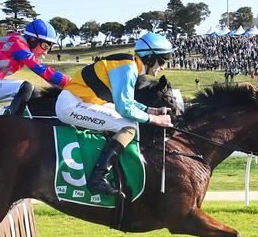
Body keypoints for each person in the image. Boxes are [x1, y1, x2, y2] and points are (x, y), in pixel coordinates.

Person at [55, 32, 174, 196]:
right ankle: (97, 178)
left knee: (129, 122)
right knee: (129, 125)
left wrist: (149, 110)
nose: (162, 67)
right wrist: (154, 119)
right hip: (72, 105)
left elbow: (126, 101)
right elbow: (124, 107)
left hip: (82, 101)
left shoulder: (129, 64)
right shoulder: (128, 67)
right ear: (149, 57)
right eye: (162, 60)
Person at [0, 19, 70, 116]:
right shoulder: (17, 43)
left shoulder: (18, 42)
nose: (45, 52)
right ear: (33, 40)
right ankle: (13, 121)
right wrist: (69, 82)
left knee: (34, 95)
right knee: (26, 87)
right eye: (45, 46)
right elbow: (40, 69)